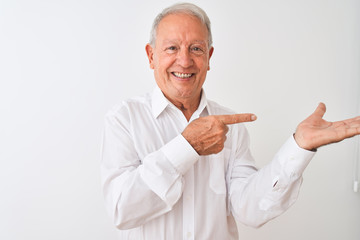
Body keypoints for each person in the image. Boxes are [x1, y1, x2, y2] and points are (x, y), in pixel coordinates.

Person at [101, 3, 360, 239]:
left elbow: (250, 210)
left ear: (209, 57)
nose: (185, 60)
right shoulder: (124, 120)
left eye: (196, 48)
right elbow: (122, 210)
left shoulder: (231, 128)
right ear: (151, 56)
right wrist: (186, 147)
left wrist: (299, 147)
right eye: (172, 48)